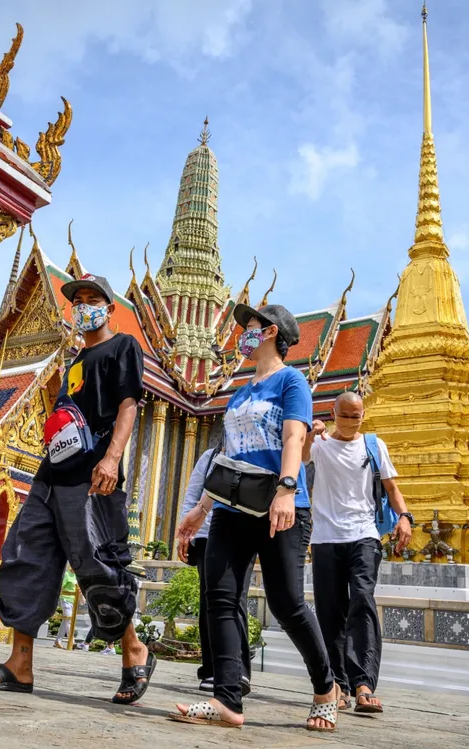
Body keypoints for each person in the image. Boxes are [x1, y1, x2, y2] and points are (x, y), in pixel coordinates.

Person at [0, 274, 152, 703]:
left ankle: (133, 648)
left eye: (92, 299)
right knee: (25, 557)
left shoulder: (123, 347)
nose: (83, 305)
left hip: (92, 476)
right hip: (50, 475)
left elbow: (128, 404)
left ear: (109, 308)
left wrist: (112, 458)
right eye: (77, 299)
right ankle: (20, 665)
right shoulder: (73, 360)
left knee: (96, 564)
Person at [173, 303, 339, 732]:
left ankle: (326, 687)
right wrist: (201, 508)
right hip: (231, 506)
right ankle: (227, 699)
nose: (241, 335)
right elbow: (230, 456)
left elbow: (294, 437)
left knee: (287, 604)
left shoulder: (291, 381)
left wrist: (287, 489)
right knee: (221, 596)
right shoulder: (242, 389)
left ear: (268, 332)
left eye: (248, 328)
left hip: (280, 506)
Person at [304, 391, 413, 714]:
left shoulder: (374, 445)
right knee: (329, 612)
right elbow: (301, 456)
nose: (351, 422)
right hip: (325, 538)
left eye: (357, 416)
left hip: (364, 535)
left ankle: (363, 682)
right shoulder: (321, 446)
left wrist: (404, 517)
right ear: (334, 414)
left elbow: (392, 488)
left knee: (362, 601)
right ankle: (337, 683)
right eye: (346, 415)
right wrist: (312, 434)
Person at [176, 442, 251, 694]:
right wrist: (186, 533)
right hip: (207, 534)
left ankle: (238, 671)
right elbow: (193, 494)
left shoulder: (256, 454)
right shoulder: (210, 457)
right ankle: (211, 669)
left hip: (244, 532)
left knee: (236, 598)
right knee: (209, 601)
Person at [54, 568, 79, 649]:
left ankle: (58, 641)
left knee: (66, 620)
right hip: (65, 599)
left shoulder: (76, 575)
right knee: (68, 619)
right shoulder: (67, 574)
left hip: (73, 601)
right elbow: (61, 587)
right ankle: (72, 641)